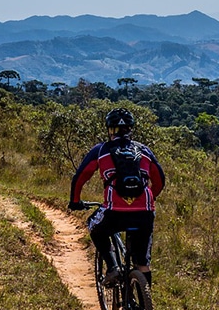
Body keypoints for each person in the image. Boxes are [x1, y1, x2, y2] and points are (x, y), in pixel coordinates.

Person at [68, 107, 165, 287]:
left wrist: (75, 201)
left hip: (114, 212)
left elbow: (80, 177)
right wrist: (151, 198)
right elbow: (159, 180)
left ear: (109, 129)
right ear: (131, 129)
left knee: (93, 226)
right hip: (144, 212)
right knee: (142, 262)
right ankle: (145, 306)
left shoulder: (101, 150)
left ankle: (113, 268)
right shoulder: (144, 150)